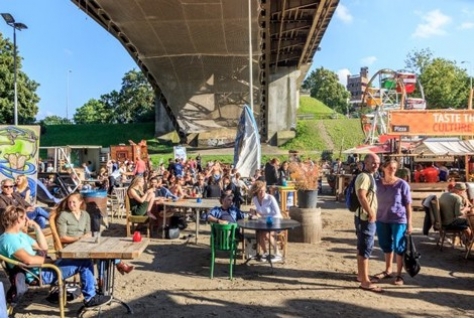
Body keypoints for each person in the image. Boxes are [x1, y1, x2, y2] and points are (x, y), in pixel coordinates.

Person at [0, 205, 112, 308]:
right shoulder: (10, 240)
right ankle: (90, 298)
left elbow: (43, 248)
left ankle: (92, 292)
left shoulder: (18, 235)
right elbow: (28, 260)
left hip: (43, 267)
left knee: (80, 258)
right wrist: (51, 261)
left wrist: (37, 227)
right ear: (18, 219)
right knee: (84, 262)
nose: (27, 220)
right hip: (40, 274)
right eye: (25, 217)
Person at [56, 193, 134, 277]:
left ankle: (102, 279)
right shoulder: (64, 216)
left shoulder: (85, 215)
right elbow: (61, 238)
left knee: (104, 250)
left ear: (80, 202)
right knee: (102, 253)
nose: (71, 205)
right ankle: (118, 265)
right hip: (71, 247)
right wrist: (78, 238)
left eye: (74, 202)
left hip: (84, 244)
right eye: (69, 202)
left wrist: (87, 236)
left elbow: (88, 233)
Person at [374, 159, 412, 286]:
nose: (392, 170)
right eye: (390, 167)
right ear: (383, 168)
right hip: (381, 218)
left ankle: (399, 275)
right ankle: (388, 270)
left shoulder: (402, 184)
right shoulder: (377, 183)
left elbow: (408, 205)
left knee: (398, 246)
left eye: (394, 168)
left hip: (398, 219)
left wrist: (409, 223)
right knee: (385, 245)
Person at [354, 153, 382, 293]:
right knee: (365, 247)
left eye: (377, 162)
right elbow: (361, 195)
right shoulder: (365, 177)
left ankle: (361, 276)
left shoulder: (369, 176)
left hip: (364, 217)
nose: (376, 165)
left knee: (362, 246)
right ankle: (365, 281)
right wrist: (371, 213)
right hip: (365, 218)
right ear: (366, 162)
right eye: (373, 162)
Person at [249, 180, 282, 262]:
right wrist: (254, 213)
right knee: (259, 233)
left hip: (275, 221)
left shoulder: (270, 198)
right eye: (259, 191)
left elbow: (278, 214)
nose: (262, 192)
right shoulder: (255, 199)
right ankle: (265, 253)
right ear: (256, 191)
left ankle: (277, 253)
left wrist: (264, 218)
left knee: (266, 234)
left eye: (263, 190)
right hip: (264, 223)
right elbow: (260, 212)